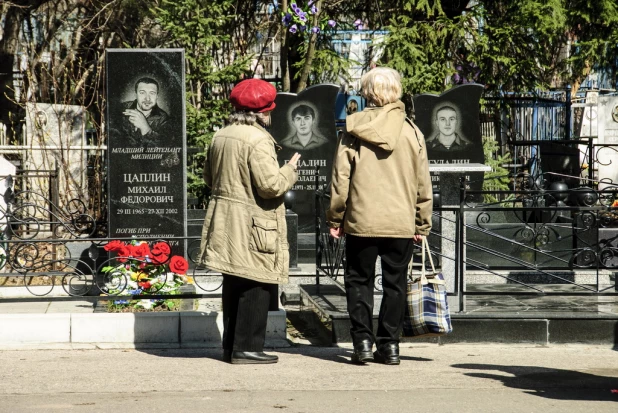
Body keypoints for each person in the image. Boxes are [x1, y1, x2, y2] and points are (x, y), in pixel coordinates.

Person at [327, 67, 433, 365]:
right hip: (400, 222)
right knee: (395, 284)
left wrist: (336, 218)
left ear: (367, 93)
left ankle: (361, 343)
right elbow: (423, 183)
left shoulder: (353, 130)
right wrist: (421, 222)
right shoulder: (412, 132)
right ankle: (390, 346)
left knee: (359, 282)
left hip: (361, 221)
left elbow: (340, 179)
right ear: (396, 92)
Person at [199, 78, 301, 365]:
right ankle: (248, 348)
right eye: (268, 110)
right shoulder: (258, 140)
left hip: (225, 219)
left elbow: (209, 178)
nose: (270, 115)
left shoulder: (220, 135)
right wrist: (290, 170)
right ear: (260, 113)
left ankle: (231, 346)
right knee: (257, 283)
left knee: (233, 281)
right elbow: (270, 185)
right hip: (254, 221)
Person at [120, 77, 169, 147]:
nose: (147, 98)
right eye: (142, 93)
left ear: (157, 96)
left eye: (152, 93)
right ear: (135, 95)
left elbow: (164, 147)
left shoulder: (164, 119)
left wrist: (146, 128)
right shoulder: (121, 109)